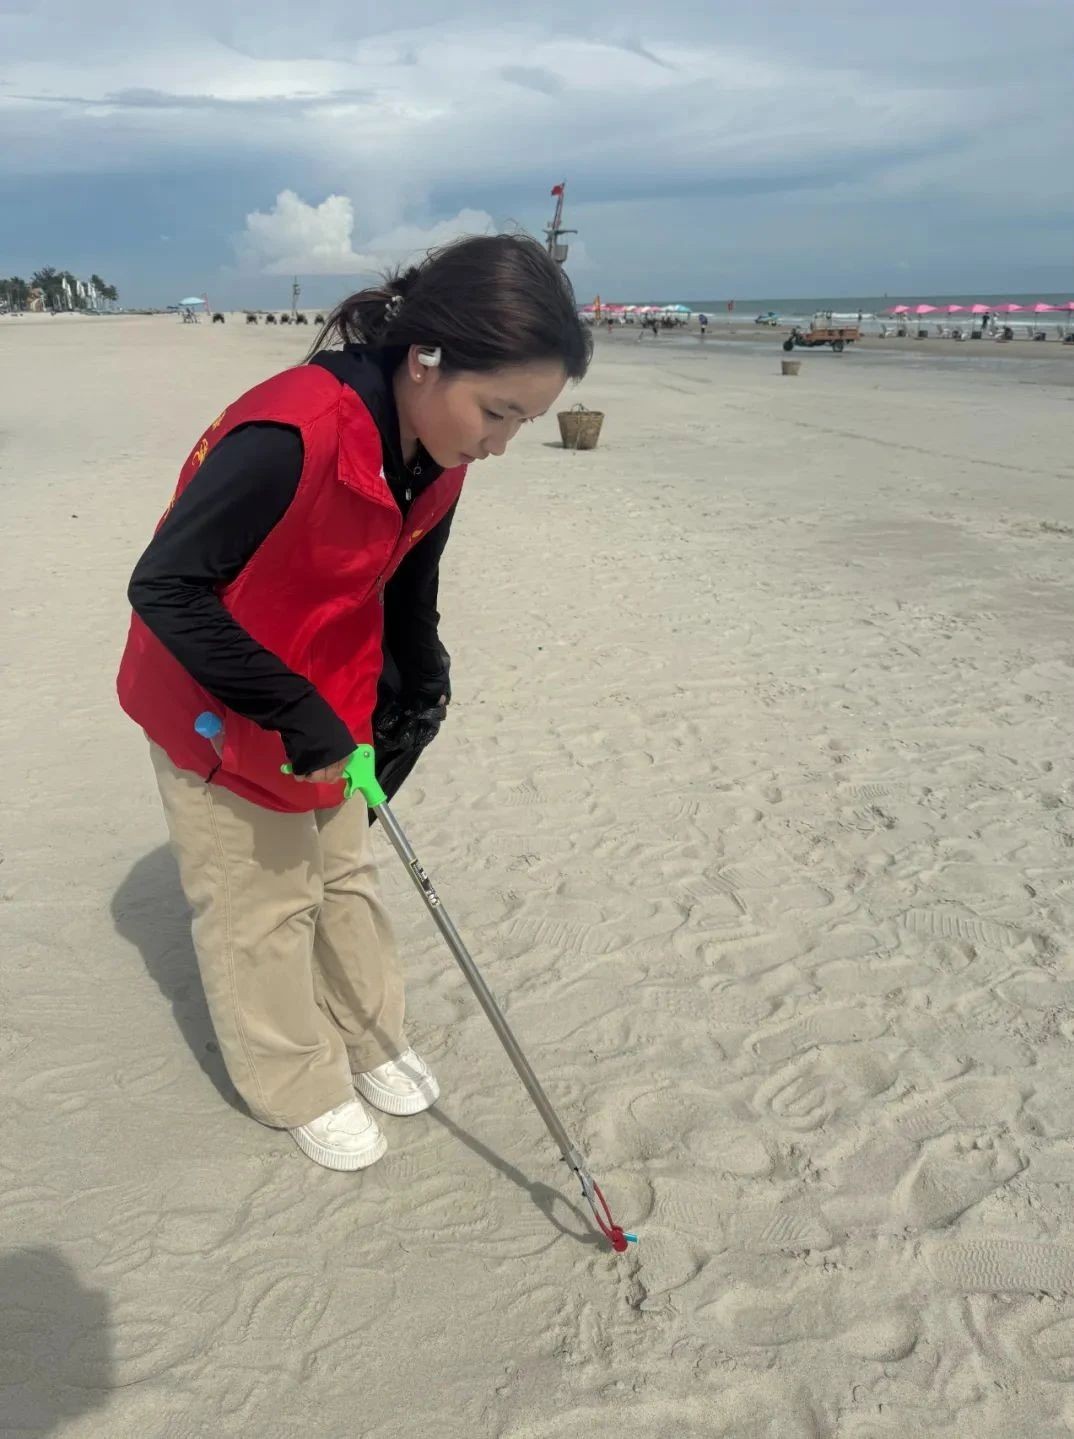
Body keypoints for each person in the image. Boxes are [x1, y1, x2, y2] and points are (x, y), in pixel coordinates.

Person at [117, 233, 592, 1171]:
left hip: (330, 693)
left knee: (343, 872)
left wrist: (420, 680)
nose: (498, 443)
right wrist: (292, 708)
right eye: (496, 412)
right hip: (216, 700)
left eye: (523, 423)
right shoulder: (289, 434)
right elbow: (164, 588)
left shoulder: (441, 451)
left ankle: (370, 1031)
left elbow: (408, 583)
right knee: (263, 901)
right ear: (426, 359)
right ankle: (292, 1078)